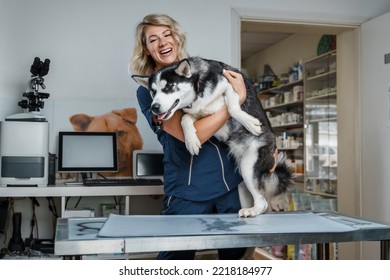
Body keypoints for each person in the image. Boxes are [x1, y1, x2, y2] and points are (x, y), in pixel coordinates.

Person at [129, 13, 248, 260]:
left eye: (166, 34)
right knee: (176, 261)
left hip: (228, 182)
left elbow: (244, 119)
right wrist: (235, 102)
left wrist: (270, 147)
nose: (162, 42)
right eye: (153, 39)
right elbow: (192, 136)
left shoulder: (203, 73)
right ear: (147, 49)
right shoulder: (148, 91)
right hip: (188, 187)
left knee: (235, 259)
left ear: (176, 37)